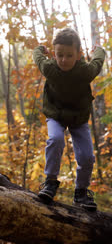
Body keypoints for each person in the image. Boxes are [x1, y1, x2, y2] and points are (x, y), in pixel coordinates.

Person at [33, 28, 105, 210]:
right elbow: (38, 57)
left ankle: (81, 192)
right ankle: (50, 182)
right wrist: (41, 48)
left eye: (69, 55)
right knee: (55, 139)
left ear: (79, 55)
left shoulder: (85, 72)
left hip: (78, 118)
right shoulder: (50, 68)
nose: (64, 60)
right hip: (56, 114)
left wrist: (99, 49)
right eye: (59, 55)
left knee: (87, 156)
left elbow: (97, 62)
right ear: (54, 54)